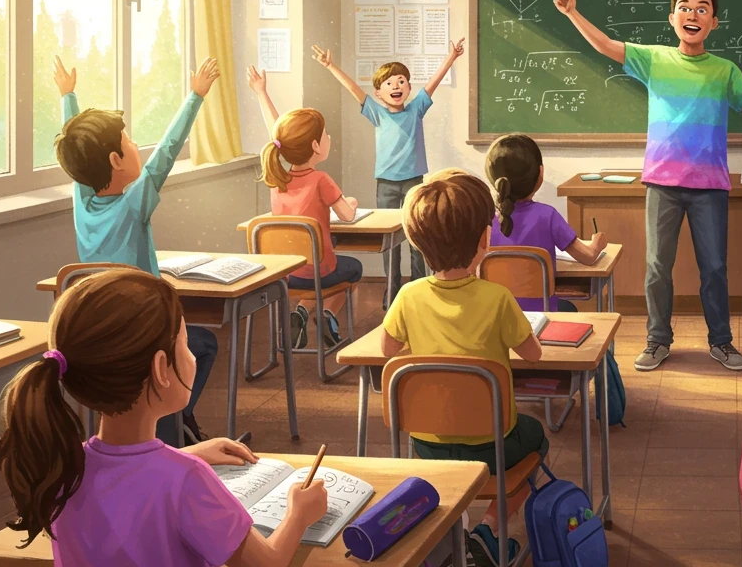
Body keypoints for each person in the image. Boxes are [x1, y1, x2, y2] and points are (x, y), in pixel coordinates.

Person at [0, 268, 327, 567]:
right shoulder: (185, 479)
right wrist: (299, 512)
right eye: (185, 345)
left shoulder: (63, 466)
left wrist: (184, 454)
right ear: (161, 368)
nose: (194, 357)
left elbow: (128, 478)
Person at [555, 0, 742, 372]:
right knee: (656, 268)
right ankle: (657, 340)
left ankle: (721, 342)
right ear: (672, 18)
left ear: (714, 22)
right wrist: (572, 13)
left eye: (701, 8)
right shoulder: (654, 59)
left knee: (714, 269)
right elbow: (605, 45)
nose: (692, 14)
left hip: (709, 186)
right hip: (661, 183)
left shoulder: (725, 70)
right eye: (684, 7)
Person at [380, 169, 547, 567]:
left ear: (417, 242)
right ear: (484, 239)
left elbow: (387, 350)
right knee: (537, 439)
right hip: (493, 446)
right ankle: (489, 528)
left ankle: (446, 529)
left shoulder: (408, 296)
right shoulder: (497, 298)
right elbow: (533, 353)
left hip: (427, 446)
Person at [53, 55, 220, 447]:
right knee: (203, 346)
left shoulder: (82, 201)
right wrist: (195, 96)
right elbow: (166, 154)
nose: (135, 147)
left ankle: (162, 429)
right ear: (115, 160)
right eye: (129, 143)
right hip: (144, 333)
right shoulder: (132, 206)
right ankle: (173, 426)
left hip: (102, 338)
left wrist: (67, 97)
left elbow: (79, 149)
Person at [312, 41, 465, 307]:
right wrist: (330, 65)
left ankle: (419, 287)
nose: (396, 86)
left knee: (417, 237)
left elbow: (433, 82)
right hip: (386, 185)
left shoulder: (416, 108)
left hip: (414, 183)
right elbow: (353, 89)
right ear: (379, 93)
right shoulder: (377, 113)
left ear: (409, 87)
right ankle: (392, 290)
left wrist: (451, 57)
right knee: (390, 241)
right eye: (389, 83)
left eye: (401, 81)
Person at [248, 67, 362, 348]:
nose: (328, 138)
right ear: (315, 145)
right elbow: (347, 216)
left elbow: (280, 136)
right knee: (352, 269)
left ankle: (299, 312)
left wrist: (261, 93)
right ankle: (326, 314)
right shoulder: (321, 179)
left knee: (314, 267)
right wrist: (351, 202)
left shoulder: (277, 179)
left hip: (285, 272)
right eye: (325, 135)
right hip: (318, 271)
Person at [485, 132, 607, 311]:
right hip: (542, 315)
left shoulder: (483, 219)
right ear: (540, 174)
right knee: (569, 308)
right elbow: (588, 257)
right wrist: (598, 243)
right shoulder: (547, 216)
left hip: (497, 314)